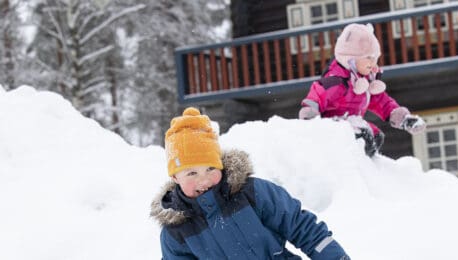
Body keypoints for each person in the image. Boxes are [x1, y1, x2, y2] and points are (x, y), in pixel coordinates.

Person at [151, 107, 350, 259]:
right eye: (192, 173)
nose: (203, 180)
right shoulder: (176, 232)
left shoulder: (252, 193)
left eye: (210, 169)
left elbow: (301, 226)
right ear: (175, 178)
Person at [298, 23, 426, 157]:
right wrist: (310, 114)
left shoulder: (365, 82)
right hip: (332, 127)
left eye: (375, 58)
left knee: (376, 136)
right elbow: (318, 93)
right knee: (364, 134)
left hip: (351, 123)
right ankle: (341, 163)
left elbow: (383, 102)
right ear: (350, 58)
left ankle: (363, 166)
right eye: (368, 57)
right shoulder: (337, 81)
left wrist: (403, 119)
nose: (373, 63)